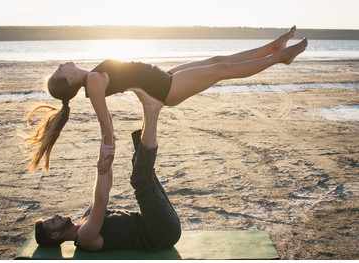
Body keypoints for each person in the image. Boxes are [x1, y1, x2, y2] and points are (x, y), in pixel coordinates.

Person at [24, 26, 308, 173]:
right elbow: (106, 124)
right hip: (167, 88)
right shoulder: (94, 82)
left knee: (218, 61)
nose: (62, 64)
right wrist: (106, 156)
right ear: (70, 80)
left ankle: (273, 48)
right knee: (222, 70)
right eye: (60, 70)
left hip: (164, 77)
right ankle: (281, 57)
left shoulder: (94, 78)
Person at [34, 96, 181, 251]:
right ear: (55, 236)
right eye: (52, 222)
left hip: (158, 223)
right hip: (160, 234)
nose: (56, 216)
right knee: (140, 179)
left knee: (141, 165)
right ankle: (152, 109)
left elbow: (106, 186)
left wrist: (106, 139)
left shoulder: (87, 216)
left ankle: (150, 102)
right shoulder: (85, 238)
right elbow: (101, 200)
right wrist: (101, 162)